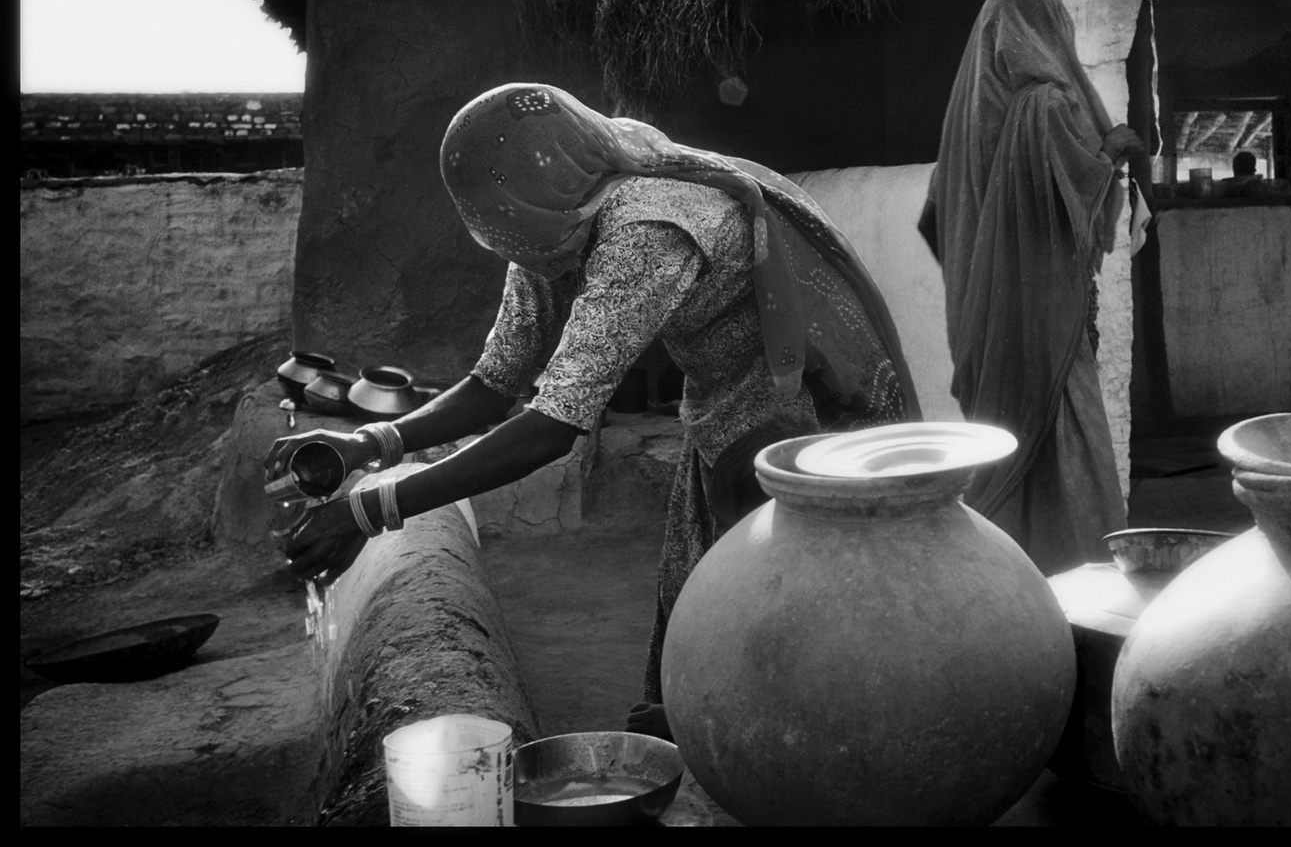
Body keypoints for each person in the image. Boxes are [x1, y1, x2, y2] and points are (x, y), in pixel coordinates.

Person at [267, 83, 920, 738]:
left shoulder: (647, 222)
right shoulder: (547, 213)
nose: (504, 237)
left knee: (790, 618)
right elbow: (497, 383)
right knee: (701, 611)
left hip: (803, 417)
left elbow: (555, 426)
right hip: (722, 412)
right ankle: (692, 751)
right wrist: (371, 443)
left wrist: (370, 509)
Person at [918, 0, 1141, 577]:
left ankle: (1006, 574)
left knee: (1007, 435)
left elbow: (937, 214)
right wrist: (1115, 148)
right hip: (1045, 312)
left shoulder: (964, 117)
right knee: (1070, 427)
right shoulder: (1044, 104)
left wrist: (990, 271)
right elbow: (1082, 190)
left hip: (989, 316)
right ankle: (1082, 569)